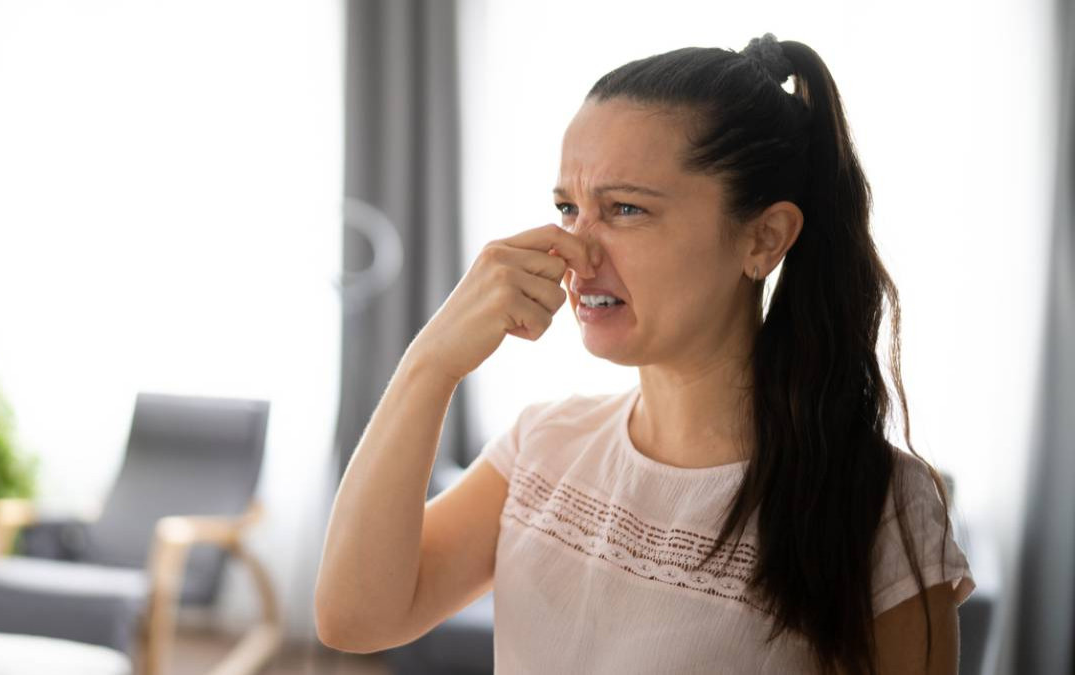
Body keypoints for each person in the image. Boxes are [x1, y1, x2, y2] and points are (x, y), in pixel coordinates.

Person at [315, 33, 976, 674]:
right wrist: (432, 361)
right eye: (568, 207)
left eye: (626, 208)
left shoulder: (880, 508)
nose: (576, 250)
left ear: (764, 239)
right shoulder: (542, 446)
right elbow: (355, 617)